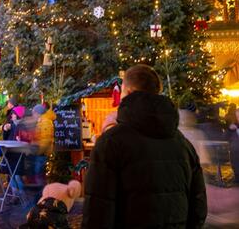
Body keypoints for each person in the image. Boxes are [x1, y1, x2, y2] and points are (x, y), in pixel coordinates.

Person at [82, 64, 206, 228]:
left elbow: (98, 210)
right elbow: (198, 207)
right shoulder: (183, 144)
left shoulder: (111, 142)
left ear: (127, 91)